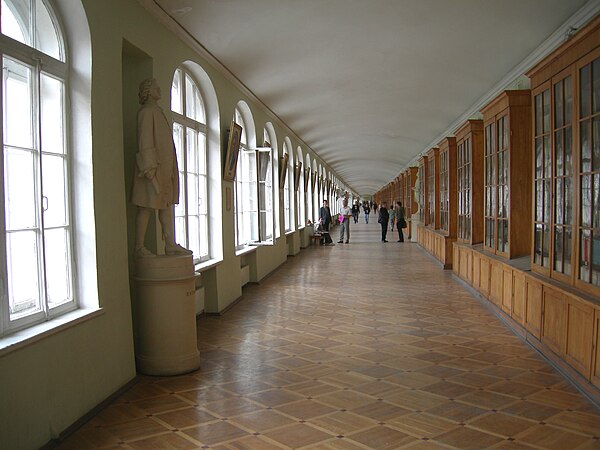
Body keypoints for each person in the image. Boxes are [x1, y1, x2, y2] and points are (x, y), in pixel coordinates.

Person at [131, 78, 192, 258]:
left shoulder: (158, 112)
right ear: (148, 91)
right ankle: (139, 247)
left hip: (164, 169)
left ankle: (170, 243)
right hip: (150, 170)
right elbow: (145, 141)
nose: (160, 90)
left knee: (166, 206)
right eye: (157, 87)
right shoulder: (146, 112)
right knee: (146, 207)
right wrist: (149, 169)